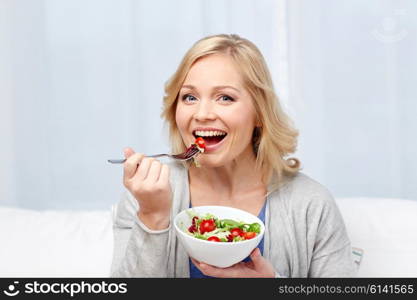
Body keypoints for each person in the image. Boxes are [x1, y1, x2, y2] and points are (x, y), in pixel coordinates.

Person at [110, 34, 356, 278]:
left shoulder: (310, 204)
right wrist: (153, 217)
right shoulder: (145, 198)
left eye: (225, 97)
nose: (202, 113)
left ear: (260, 113)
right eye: (190, 97)